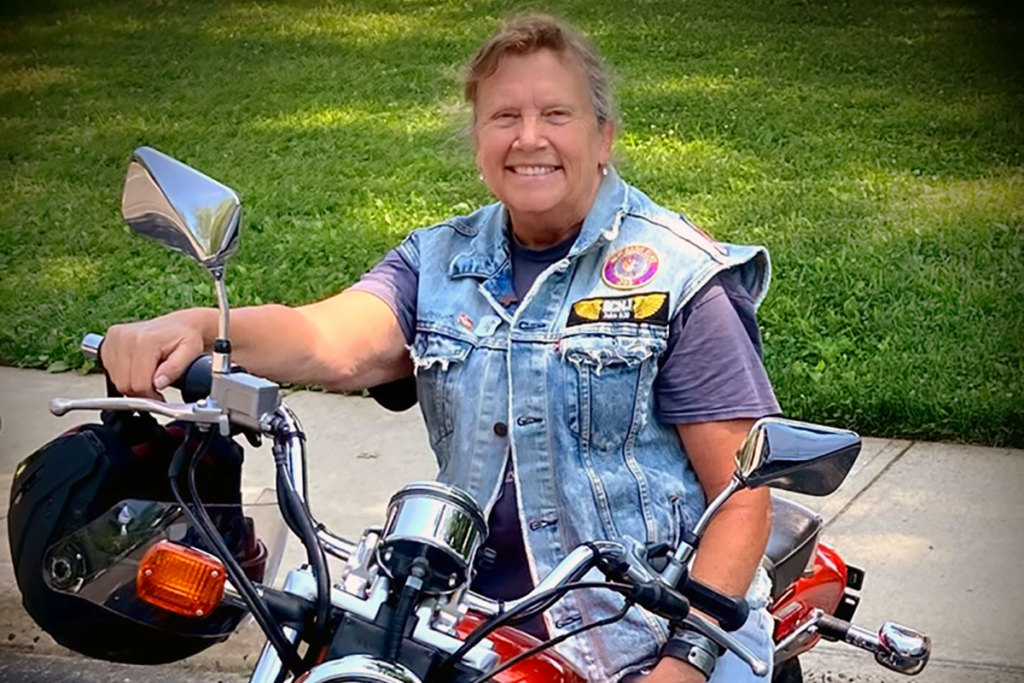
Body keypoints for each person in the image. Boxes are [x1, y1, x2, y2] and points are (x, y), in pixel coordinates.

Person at [103, 15, 779, 683]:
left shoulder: (677, 274)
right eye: (505, 116)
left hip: (654, 632)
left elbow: (743, 499)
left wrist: (683, 662)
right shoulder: (440, 262)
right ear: (480, 140)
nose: (530, 137)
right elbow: (332, 338)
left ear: (604, 136)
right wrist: (197, 326)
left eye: (556, 113)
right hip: (470, 625)